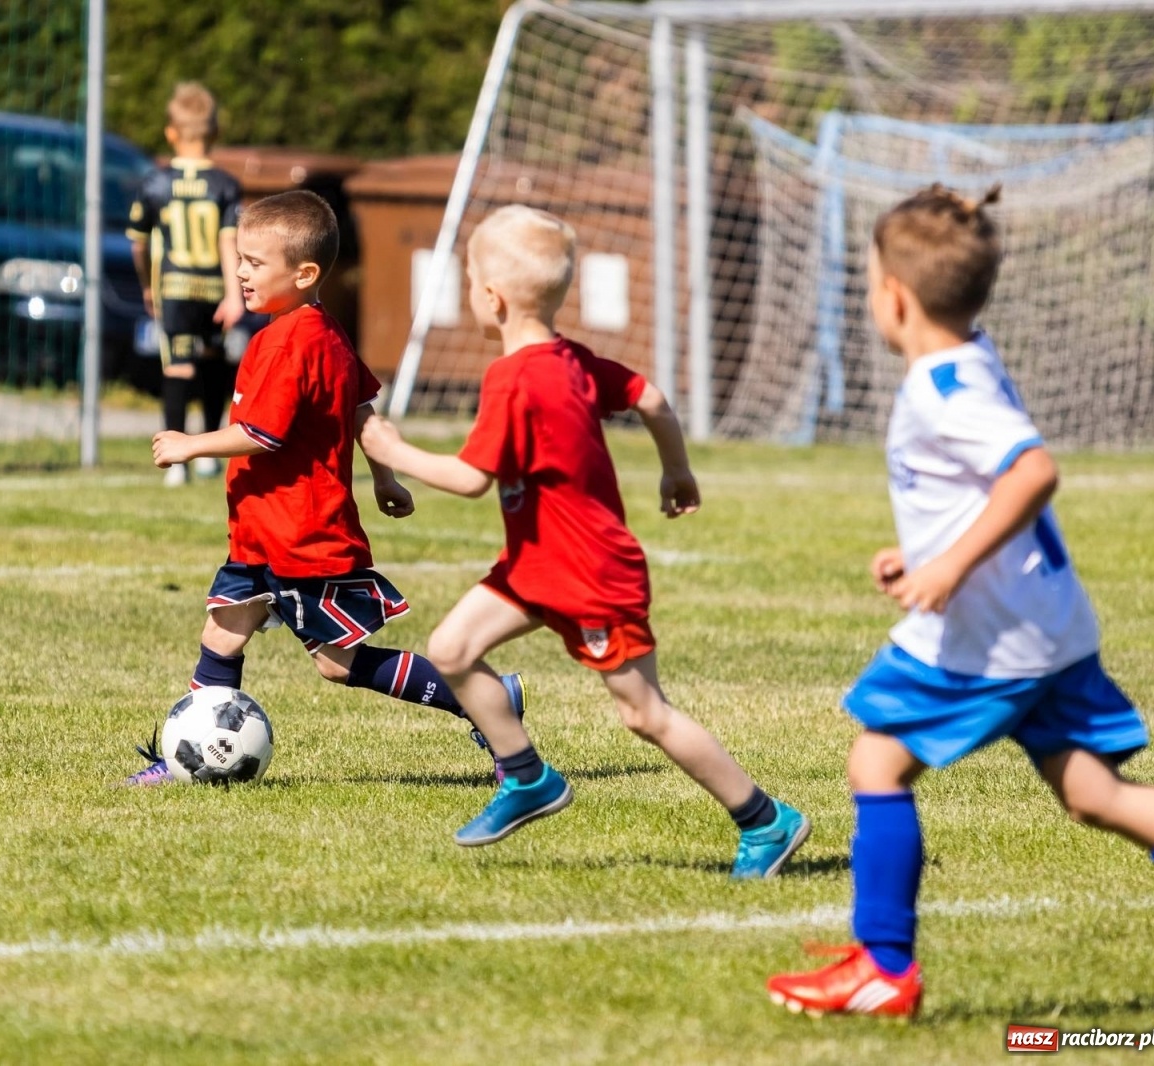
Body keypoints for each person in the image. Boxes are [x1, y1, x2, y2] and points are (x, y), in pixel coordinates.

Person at [765, 185, 1154, 1018]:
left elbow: (1032, 471)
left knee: (876, 762)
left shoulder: (943, 390)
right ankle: (880, 965)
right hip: (1047, 624)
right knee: (1095, 795)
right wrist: (921, 555)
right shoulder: (971, 357)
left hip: (992, 641)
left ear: (893, 298)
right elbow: (978, 486)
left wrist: (946, 567)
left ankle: (884, 969)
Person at [359, 205, 809, 864]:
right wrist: (676, 470)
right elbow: (651, 397)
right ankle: (527, 776)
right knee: (452, 648)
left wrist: (389, 446)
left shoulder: (515, 378)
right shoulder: (568, 359)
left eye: (468, 285)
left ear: (493, 298)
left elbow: (469, 479)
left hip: (591, 574)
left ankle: (764, 818)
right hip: (539, 565)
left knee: (644, 714)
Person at [124, 190, 524, 786]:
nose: (240, 272)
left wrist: (191, 444)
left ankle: (483, 698)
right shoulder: (317, 330)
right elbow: (361, 409)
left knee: (337, 664)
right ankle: (188, 756)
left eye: (255, 264)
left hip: (303, 536)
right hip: (261, 532)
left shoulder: (293, 341)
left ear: (304, 273)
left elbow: (263, 434)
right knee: (222, 633)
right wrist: (384, 476)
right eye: (240, 259)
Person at [127, 82, 245, 487]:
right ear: (215, 133)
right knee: (213, 360)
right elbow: (229, 241)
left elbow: (138, 244)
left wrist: (147, 285)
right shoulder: (225, 185)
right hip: (213, 288)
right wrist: (234, 294)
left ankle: (175, 463)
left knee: (177, 365)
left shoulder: (154, 183)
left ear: (170, 132)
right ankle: (210, 454)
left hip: (174, 287)